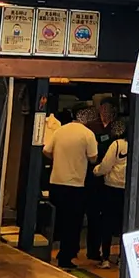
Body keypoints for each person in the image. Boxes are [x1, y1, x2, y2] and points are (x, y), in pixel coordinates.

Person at [44, 108, 98, 269]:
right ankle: (65, 257)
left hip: (56, 181)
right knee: (72, 223)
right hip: (75, 185)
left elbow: (46, 150)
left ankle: (50, 252)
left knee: (57, 221)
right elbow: (93, 158)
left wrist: (59, 158)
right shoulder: (88, 134)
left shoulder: (60, 131)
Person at [92, 119, 129, 268]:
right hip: (128, 190)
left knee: (106, 222)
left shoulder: (117, 144)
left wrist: (96, 171)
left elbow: (106, 165)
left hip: (111, 187)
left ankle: (105, 257)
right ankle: (122, 258)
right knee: (124, 224)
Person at [85, 100, 117, 264]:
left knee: (107, 217)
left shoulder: (117, 128)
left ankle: (105, 251)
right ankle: (92, 250)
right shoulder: (92, 127)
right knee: (93, 215)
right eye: (103, 109)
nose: (106, 112)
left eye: (109, 109)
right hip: (94, 176)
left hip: (111, 178)